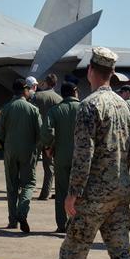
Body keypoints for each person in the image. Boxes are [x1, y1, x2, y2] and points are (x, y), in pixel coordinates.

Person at [19, 47, 130, 259]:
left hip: (95, 192)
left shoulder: (90, 105)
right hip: (120, 189)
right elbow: (128, 149)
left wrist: (73, 191)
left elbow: (84, 152)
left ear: (91, 72)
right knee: (120, 251)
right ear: (111, 73)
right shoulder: (124, 105)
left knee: (74, 246)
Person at [0, 78, 42, 233]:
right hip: (28, 151)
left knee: (11, 186)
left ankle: (12, 221)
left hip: (10, 151)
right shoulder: (33, 109)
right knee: (29, 183)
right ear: (24, 90)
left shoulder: (6, 108)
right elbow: (40, 133)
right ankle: (22, 211)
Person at [42, 79, 81, 233]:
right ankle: (76, 222)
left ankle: (61, 224)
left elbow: (47, 132)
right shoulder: (84, 108)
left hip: (61, 156)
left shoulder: (55, 111)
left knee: (61, 191)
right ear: (75, 91)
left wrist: (48, 146)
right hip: (81, 157)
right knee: (79, 191)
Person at [32, 73, 62, 201]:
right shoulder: (59, 99)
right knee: (49, 166)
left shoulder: (37, 96)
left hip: (36, 134)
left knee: (31, 163)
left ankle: (27, 188)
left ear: (45, 82)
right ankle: (45, 193)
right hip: (51, 136)